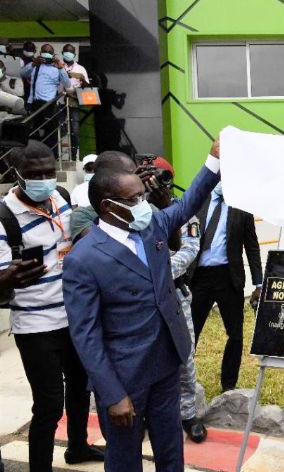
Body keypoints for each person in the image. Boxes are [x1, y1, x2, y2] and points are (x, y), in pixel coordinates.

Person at [62, 138, 221, 471]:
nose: (143, 203)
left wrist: (213, 161)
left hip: (165, 363)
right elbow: (86, 335)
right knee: (124, 459)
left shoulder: (152, 227)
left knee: (170, 449)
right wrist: (112, 394)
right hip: (124, 377)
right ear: (108, 206)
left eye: (142, 196)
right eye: (134, 199)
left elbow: (188, 203)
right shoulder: (83, 258)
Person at [0, 140, 103, 471]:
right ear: (17, 175)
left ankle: (77, 447)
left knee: (78, 390)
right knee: (48, 405)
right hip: (35, 327)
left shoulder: (59, 196)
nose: (43, 179)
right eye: (35, 174)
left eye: (48, 171)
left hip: (73, 318)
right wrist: (8, 278)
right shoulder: (4, 218)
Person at [152, 157, 208, 443]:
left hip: (175, 294)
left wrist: (154, 274)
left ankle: (188, 413)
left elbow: (188, 252)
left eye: (164, 177)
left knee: (184, 357)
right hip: (144, 301)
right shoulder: (132, 212)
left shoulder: (183, 212)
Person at [189, 180, 263, 392]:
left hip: (228, 278)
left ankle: (228, 385)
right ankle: (182, 380)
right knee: (190, 332)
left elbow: (252, 246)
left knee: (236, 334)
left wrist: (258, 283)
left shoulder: (241, 207)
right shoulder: (198, 201)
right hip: (198, 278)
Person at [21, 44, 72, 156]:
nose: (46, 53)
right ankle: (33, 156)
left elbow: (67, 84)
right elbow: (22, 73)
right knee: (33, 132)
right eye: (44, 51)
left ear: (53, 54)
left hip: (49, 105)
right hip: (34, 103)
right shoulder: (35, 65)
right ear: (40, 53)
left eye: (49, 52)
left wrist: (60, 68)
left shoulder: (57, 68)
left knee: (50, 133)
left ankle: (52, 157)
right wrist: (34, 63)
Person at [61, 44, 89, 157]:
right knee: (61, 128)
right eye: (67, 51)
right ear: (63, 53)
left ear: (75, 54)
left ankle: (74, 154)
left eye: (71, 51)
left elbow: (87, 85)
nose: (69, 53)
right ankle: (61, 154)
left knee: (75, 129)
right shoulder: (58, 66)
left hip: (74, 102)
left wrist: (81, 79)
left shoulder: (80, 68)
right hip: (60, 102)